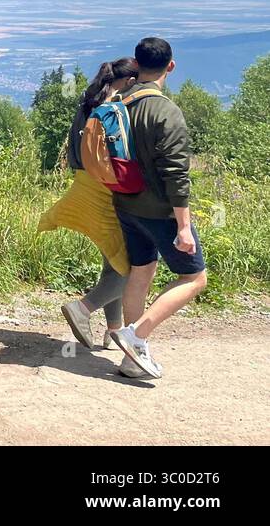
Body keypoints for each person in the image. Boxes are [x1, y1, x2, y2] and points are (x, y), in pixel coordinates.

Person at [109, 37, 207, 379]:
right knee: (194, 277)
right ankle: (135, 335)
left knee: (141, 270)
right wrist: (183, 227)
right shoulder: (166, 112)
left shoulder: (120, 102)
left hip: (125, 203)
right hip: (160, 211)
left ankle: (130, 359)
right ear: (171, 66)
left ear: (135, 66)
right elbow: (176, 175)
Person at [39, 58, 137, 352]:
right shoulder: (117, 107)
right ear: (130, 81)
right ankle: (83, 308)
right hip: (106, 192)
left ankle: (114, 330)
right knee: (130, 269)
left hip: (84, 185)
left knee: (114, 259)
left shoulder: (90, 102)